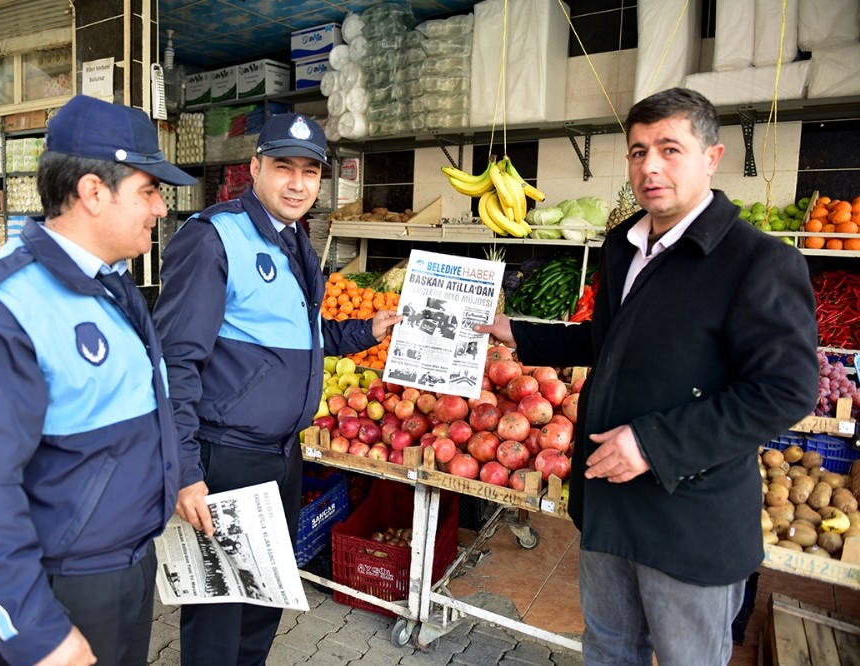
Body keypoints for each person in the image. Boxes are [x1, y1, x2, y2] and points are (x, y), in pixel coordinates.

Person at [475, 88, 818, 665]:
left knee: (686, 657)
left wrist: (654, 444)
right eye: (637, 152)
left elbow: (784, 390)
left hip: (689, 515)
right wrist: (518, 331)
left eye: (669, 149)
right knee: (610, 649)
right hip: (609, 503)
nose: (650, 166)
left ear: (712, 156)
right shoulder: (623, 246)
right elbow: (607, 342)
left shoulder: (758, 260)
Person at [0, 94, 197, 666]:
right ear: (93, 191)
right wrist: (35, 632)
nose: (160, 209)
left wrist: (179, 478)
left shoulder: (112, 285)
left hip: (128, 567)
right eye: (149, 190)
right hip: (62, 591)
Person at [153, 112, 401, 666]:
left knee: (262, 598)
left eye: (309, 172)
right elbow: (175, 361)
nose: (297, 183)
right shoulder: (214, 237)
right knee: (219, 611)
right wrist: (185, 469)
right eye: (283, 167)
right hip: (227, 457)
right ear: (254, 168)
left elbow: (299, 335)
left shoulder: (295, 240)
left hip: (282, 455)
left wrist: (367, 330)